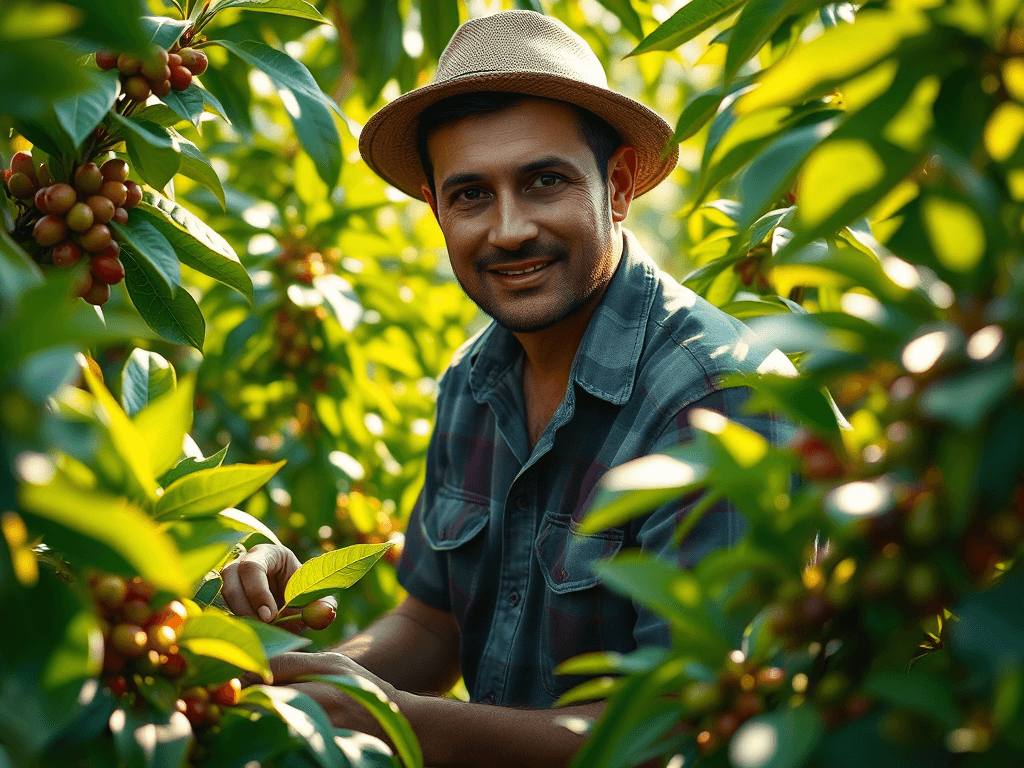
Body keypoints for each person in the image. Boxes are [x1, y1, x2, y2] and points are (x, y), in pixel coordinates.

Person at [221, 10, 793, 767]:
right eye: (471, 196)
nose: (510, 228)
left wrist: (397, 718)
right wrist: (287, 671)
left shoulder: (718, 401)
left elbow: (691, 725)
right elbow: (432, 627)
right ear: (437, 209)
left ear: (617, 185)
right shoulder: (474, 379)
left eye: (544, 181)